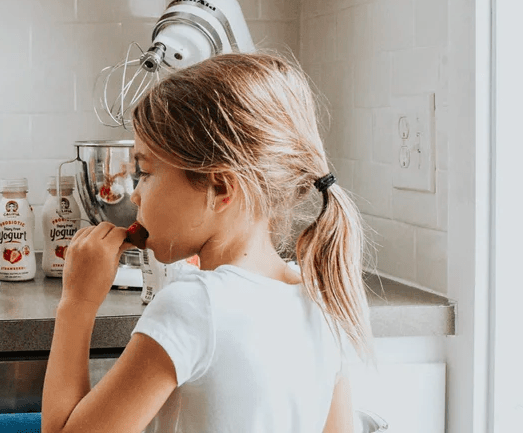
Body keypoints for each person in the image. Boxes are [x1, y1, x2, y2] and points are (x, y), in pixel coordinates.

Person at [42, 52, 372, 433]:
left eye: (146, 173)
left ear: (219, 187)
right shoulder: (323, 294)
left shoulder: (193, 306)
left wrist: (77, 303)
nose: (135, 195)